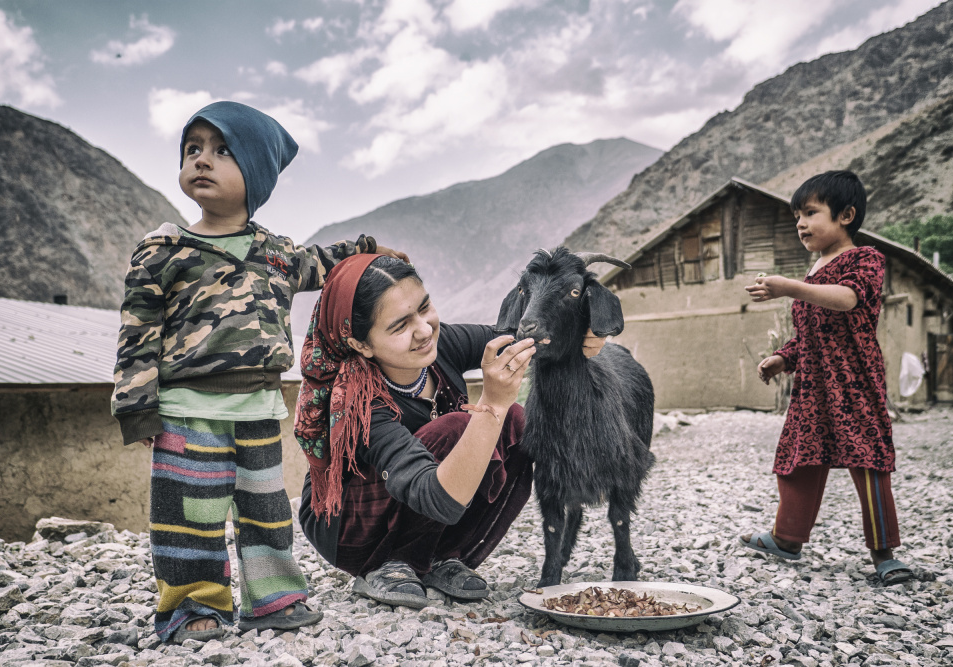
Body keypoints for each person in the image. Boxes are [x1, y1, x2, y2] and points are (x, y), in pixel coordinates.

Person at [111, 101, 405, 643]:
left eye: (222, 151)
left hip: (261, 409)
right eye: (192, 149)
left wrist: (369, 250)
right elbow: (138, 331)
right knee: (188, 519)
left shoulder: (277, 254)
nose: (202, 160)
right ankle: (192, 604)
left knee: (266, 512)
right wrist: (136, 405)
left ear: (257, 175)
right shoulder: (164, 250)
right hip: (186, 411)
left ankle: (274, 599)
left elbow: (325, 261)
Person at [295, 254, 605, 607]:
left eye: (424, 307)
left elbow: (522, 338)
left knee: (520, 423)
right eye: (400, 326)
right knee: (461, 426)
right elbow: (436, 497)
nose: (424, 330)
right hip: (350, 528)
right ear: (361, 344)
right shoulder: (358, 400)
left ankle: (442, 556)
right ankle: (387, 566)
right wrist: (493, 404)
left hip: (429, 505)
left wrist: (583, 331)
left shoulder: (440, 345)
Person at [739, 170, 912, 585]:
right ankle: (787, 539)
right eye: (797, 214)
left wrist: (790, 287)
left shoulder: (865, 260)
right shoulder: (814, 270)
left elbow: (847, 300)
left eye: (811, 212)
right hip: (813, 390)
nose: (801, 222)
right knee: (797, 462)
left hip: (853, 383)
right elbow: (812, 334)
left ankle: (885, 554)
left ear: (846, 215)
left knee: (868, 462)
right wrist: (782, 357)